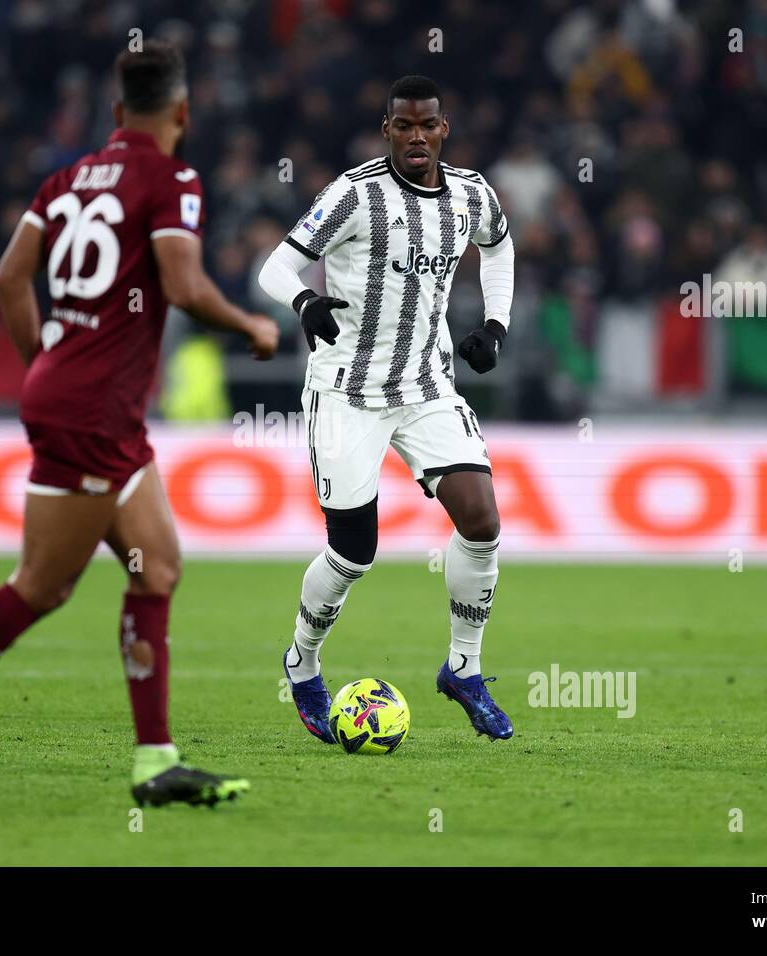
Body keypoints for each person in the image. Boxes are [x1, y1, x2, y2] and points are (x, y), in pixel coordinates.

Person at [0, 41, 279, 807]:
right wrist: (249, 322)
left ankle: (155, 762)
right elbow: (184, 285)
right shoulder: (173, 177)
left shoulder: (66, 179)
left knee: (155, 568)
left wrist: (43, 360)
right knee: (43, 586)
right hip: (91, 410)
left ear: (117, 112)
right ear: (182, 113)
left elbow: (7, 275)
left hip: (93, 403)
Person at [257, 75, 517, 744]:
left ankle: (465, 668)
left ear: (443, 130)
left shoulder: (471, 194)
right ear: (388, 132)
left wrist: (496, 324)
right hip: (347, 391)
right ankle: (303, 662)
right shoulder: (354, 194)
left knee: (482, 518)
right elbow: (275, 268)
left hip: (427, 386)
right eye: (404, 126)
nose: (417, 137)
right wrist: (306, 302)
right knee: (353, 550)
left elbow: (499, 244)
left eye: (427, 125)